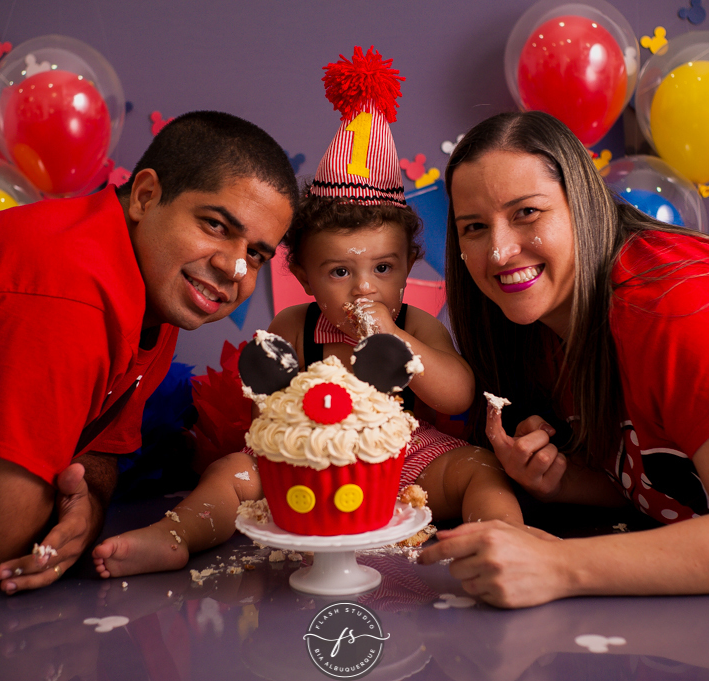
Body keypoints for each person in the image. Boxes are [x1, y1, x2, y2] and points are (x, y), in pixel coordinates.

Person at [91, 46, 525, 580]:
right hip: (308, 462)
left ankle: (504, 539)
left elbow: (458, 395)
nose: (364, 288)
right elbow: (264, 416)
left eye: (383, 269)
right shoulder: (296, 327)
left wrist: (397, 341)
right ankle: (177, 534)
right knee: (234, 472)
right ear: (303, 277)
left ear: (410, 264)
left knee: (478, 469)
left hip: (404, 459)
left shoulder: (414, 324)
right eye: (340, 273)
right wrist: (277, 401)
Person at [0, 111, 297, 593]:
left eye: (258, 254)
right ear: (145, 196)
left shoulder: (154, 286)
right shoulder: (65, 296)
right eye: (216, 225)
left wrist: (91, 498)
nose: (234, 267)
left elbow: (98, 446)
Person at [419, 110, 709, 608]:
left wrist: (558, 566)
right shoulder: (536, 329)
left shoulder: (676, 307)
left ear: (581, 205)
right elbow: (678, 485)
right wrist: (562, 481)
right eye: (474, 227)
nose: (498, 251)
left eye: (527, 212)